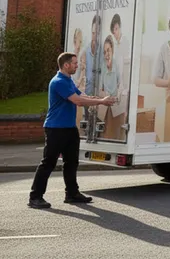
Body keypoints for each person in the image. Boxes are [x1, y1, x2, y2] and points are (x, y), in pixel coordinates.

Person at [28, 52, 116, 209]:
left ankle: (72, 194)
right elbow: (78, 101)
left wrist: (97, 98)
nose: (77, 65)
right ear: (66, 65)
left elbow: (81, 95)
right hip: (55, 129)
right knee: (48, 163)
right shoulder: (58, 82)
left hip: (69, 128)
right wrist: (101, 102)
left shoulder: (68, 80)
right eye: (75, 63)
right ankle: (35, 197)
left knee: (71, 162)